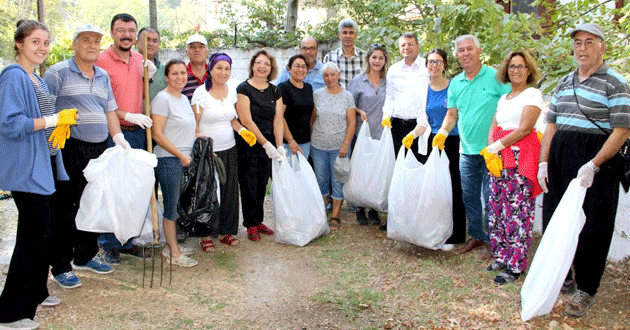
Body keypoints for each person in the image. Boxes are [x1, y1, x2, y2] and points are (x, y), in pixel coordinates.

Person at [539, 23, 630, 317]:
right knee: (556, 217)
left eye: (589, 42)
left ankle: (586, 289)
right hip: (560, 156)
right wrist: (543, 162)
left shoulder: (615, 83)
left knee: (593, 226)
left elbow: (622, 129)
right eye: (578, 43)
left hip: (597, 161)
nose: (582, 48)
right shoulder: (565, 82)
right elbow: (550, 124)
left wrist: (593, 164)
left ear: (602, 46)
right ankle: (561, 274)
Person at [44, 24, 128, 287]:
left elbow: (109, 111)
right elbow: (45, 108)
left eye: (96, 41)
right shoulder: (57, 73)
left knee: (93, 201)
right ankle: (61, 266)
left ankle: (86, 255)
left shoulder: (102, 76)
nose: (92, 45)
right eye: (86, 40)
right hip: (69, 147)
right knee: (67, 207)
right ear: (74, 44)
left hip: (98, 148)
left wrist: (118, 138)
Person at [0, 19, 69, 330]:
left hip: (43, 164)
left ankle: (36, 291)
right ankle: (11, 312)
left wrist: (59, 126)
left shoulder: (36, 78)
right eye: (35, 42)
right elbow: (11, 124)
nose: (42, 48)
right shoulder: (14, 78)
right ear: (19, 44)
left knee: (43, 235)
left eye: (45, 42)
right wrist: (53, 119)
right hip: (26, 169)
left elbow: (40, 118)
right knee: (33, 238)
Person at [432, 35, 510, 261]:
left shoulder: (495, 77)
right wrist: (443, 133)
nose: (465, 53)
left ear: (478, 51)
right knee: (469, 197)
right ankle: (476, 236)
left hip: (492, 152)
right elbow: (452, 114)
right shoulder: (456, 83)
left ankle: (491, 241)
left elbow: (511, 104)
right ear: (456, 55)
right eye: (461, 50)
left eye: (469, 49)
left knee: (490, 198)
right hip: (466, 152)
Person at [95, 13, 154, 263]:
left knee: (133, 190)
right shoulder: (100, 61)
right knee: (112, 191)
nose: (126, 35)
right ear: (112, 33)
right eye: (121, 30)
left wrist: (148, 75)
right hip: (112, 134)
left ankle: (129, 240)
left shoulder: (140, 59)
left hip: (138, 134)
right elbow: (99, 103)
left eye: (131, 30)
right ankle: (108, 243)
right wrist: (126, 113)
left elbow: (142, 93)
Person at [482, 50, 543, 284]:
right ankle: (500, 256)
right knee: (497, 208)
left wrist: (496, 146)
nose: (516, 70)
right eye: (512, 66)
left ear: (529, 70)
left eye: (521, 66)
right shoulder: (504, 97)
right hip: (499, 159)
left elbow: (525, 128)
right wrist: (490, 152)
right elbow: (494, 125)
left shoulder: (532, 94)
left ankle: (515, 265)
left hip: (520, 158)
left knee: (517, 212)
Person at [404, 48, 466, 249]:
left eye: (438, 62)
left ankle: (457, 233)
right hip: (432, 142)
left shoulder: (453, 86)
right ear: (426, 65)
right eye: (431, 62)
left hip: (453, 140)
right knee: (435, 187)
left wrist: (445, 134)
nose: (434, 65)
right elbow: (422, 122)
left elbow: (456, 114)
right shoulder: (423, 91)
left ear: (445, 65)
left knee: (454, 186)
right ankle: (436, 226)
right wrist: (412, 135)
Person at [192, 53, 255, 251]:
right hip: (208, 152)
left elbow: (232, 120)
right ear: (210, 70)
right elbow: (194, 126)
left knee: (228, 192)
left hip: (229, 148)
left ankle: (226, 232)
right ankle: (205, 234)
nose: (223, 72)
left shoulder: (233, 92)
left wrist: (243, 131)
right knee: (207, 193)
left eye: (227, 68)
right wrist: (205, 148)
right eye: (219, 68)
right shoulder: (200, 94)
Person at [150, 59, 198, 267]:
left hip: (183, 158)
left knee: (176, 205)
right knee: (171, 207)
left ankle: (170, 245)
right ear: (166, 77)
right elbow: (157, 134)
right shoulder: (162, 99)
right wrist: (179, 154)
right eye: (175, 73)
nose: (180, 77)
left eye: (182, 73)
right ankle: (174, 253)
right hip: (169, 160)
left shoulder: (183, 99)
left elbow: (186, 128)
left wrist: (199, 137)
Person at [236, 50, 285, 241]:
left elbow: (278, 119)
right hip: (249, 144)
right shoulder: (244, 89)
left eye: (266, 63)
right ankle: (250, 224)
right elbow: (246, 120)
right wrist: (264, 144)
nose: (262, 66)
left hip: (269, 146)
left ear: (271, 68)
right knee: (249, 184)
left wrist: (278, 145)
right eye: (259, 62)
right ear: (252, 65)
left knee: (262, 183)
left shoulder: (275, 91)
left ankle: (259, 220)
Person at [311, 62, 357, 230]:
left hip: (340, 147)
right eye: (325, 75)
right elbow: (313, 119)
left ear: (339, 75)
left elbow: (352, 123)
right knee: (321, 179)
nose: (329, 78)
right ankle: (322, 212)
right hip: (318, 146)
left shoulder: (347, 96)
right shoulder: (317, 94)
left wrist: (346, 144)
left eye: (332, 75)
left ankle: (336, 215)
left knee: (338, 180)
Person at [347, 44, 388, 227]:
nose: (377, 61)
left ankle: (373, 208)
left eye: (381, 58)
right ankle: (359, 209)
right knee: (361, 170)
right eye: (374, 58)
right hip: (362, 133)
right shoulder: (358, 80)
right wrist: (358, 110)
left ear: (385, 61)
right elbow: (348, 104)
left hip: (383, 133)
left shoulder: (389, 81)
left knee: (377, 171)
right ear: (368, 60)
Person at [382, 32, 431, 163]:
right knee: (399, 166)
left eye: (410, 44)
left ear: (418, 46)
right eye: (403, 45)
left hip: (421, 126)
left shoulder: (428, 67)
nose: (406, 47)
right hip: (397, 126)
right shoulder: (393, 70)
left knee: (419, 165)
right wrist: (386, 115)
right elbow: (389, 97)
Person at [278, 54, 314, 158]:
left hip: (305, 142)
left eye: (303, 67)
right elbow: (280, 117)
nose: (300, 69)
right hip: (288, 143)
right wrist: (291, 141)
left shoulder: (308, 88)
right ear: (289, 69)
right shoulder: (283, 88)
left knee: (302, 174)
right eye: (297, 66)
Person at [323, 18, 365, 89]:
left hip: (358, 99)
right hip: (336, 98)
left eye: (351, 33)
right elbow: (325, 82)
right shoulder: (329, 57)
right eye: (344, 32)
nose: (348, 36)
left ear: (356, 36)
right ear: (340, 35)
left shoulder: (364, 57)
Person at [137, 27, 165, 101]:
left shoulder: (165, 70)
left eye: (155, 41)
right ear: (137, 43)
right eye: (147, 39)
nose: (151, 44)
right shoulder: (130, 66)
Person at [182, 33, 209, 101]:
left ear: (207, 52)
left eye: (201, 47)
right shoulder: (180, 76)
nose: (197, 50)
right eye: (192, 47)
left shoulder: (215, 74)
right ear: (187, 52)